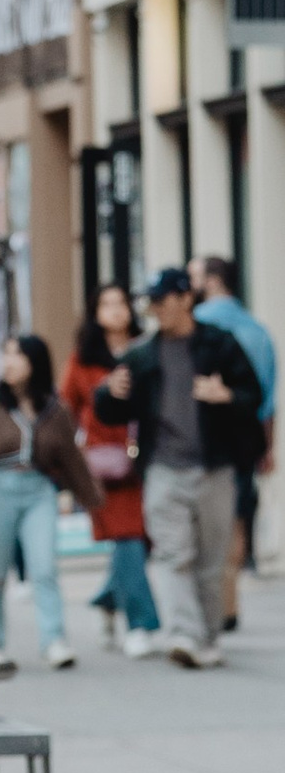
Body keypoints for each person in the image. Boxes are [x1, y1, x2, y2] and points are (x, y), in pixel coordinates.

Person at [104, 270, 265, 668]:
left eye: (163, 300)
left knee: (210, 562)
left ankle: (207, 638)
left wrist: (225, 394)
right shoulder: (143, 354)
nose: (156, 309)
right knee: (173, 555)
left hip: (215, 467)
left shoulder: (219, 345)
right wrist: (109, 392)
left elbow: (254, 394)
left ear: (185, 299)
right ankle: (184, 635)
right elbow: (110, 410)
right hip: (163, 468)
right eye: (152, 303)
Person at [0, 332, 96, 668]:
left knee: (44, 567)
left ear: (35, 362)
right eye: (6, 355)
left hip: (39, 489)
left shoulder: (55, 408)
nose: (9, 362)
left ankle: (54, 640)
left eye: (17, 355)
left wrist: (89, 499)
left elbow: (71, 458)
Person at [63, 292, 158, 652]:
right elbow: (65, 407)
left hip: (147, 459)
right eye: (106, 304)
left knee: (142, 540)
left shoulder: (147, 349)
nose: (116, 310)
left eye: (121, 303)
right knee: (128, 537)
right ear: (95, 312)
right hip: (103, 466)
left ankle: (107, 596)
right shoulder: (83, 360)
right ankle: (140, 624)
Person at [188, 252, 275, 627]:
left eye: (193, 276)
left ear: (210, 281)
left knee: (199, 524)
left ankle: (206, 607)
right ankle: (229, 603)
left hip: (201, 440)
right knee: (234, 520)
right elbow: (267, 397)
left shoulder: (195, 328)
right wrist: (269, 446)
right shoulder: (257, 330)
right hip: (245, 437)